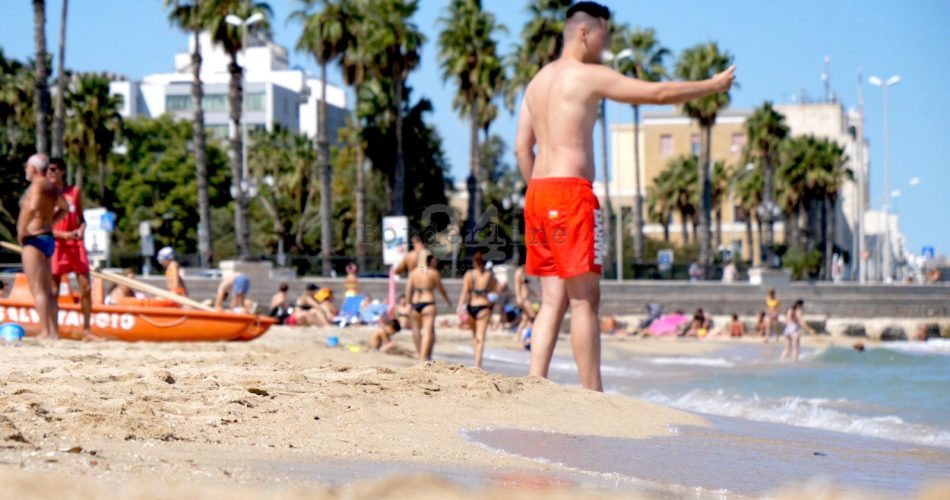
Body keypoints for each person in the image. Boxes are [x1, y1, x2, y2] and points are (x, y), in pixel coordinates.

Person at [514, 1, 734, 390]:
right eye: (605, 34)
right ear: (584, 33)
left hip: (538, 194)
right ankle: (592, 394)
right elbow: (658, 93)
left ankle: (535, 382)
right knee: (585, 299)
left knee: (552, 299)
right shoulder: (588, 76)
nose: (608, 43)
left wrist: (539, 194)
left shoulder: (537, 82)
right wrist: (712, 86)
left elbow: (521, 149)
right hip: (571, 195)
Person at [45, 158, 100, 340]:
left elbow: (82, 219)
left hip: (75, 244)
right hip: (56, 244)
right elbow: (43, 226)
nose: (50, 173)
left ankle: (87, 330)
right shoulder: (45, 194)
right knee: (53, 290)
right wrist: (63, 235)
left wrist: (81, 230)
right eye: (47, 170)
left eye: (53, 169)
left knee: (85, 287)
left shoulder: (74, 192)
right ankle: (54, 330)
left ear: (61, 171)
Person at [17, 154, 68, 340]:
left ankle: (45, 331)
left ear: (33, 168)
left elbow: (32, 207)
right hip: (47, 236)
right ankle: (54, 332)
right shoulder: (52, 186)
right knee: (47, 289)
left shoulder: (38, 185)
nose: (25, 170)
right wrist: (51, 222)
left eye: (26, 167)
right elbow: (65, 208)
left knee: (37, 289)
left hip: (34, 237)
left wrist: (21, 231)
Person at [406, 251, 450, 362]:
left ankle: (420, 352)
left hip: (415, 302)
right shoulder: (433, 273)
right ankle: (423, 358)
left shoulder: (413, 273)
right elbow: (441, 289)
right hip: (428, 301)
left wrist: (407, 304)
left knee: (416, 330)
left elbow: (408, 290)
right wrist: (447, 300)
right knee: (428, 332)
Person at [457, 249, 497, 368]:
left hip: (471, 306)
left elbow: (464, 292)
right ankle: (477, 364)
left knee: (474, 336)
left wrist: (459, 307)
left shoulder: (469, 274)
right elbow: (493, 294)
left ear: (475, 261)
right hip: (484, 306)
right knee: (481, 337)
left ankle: (476, 360)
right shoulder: (491, 276)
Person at [513, 264, 538, 342]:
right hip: (523, 299)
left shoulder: (524, 271)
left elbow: (526, 286)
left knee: (525, 319)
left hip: (526, 298)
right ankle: (530, 336)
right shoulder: (519, 271)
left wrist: (534, 293)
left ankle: (519, 336)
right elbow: (517, 285)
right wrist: (518, 297)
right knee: (533, 317)